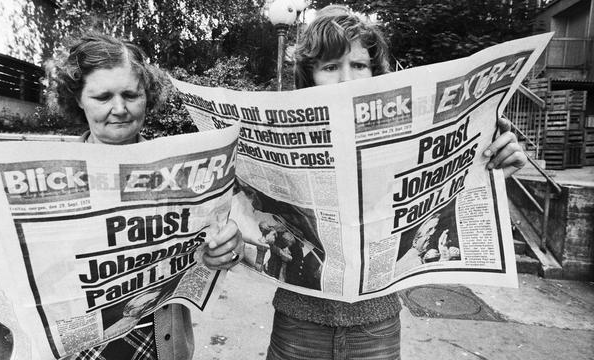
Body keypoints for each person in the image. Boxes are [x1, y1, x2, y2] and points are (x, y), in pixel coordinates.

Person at [266, 5, 527, 360]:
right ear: (310, 76)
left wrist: (491, 163)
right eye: (330, 67)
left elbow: (440, 201)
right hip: (298, 326)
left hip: (377, 328)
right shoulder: (282, 135)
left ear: (374, 72)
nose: (346, 80)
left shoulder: (408, 135)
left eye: (358, 65)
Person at [47, 32, 245, 360]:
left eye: (130, 94)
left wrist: (226, 250)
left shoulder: (185, 171)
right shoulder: (52, 176)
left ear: (146, 95)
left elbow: (211, 253)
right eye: (102, 97)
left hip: (156, 346)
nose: (119, 109)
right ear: (79, 98)